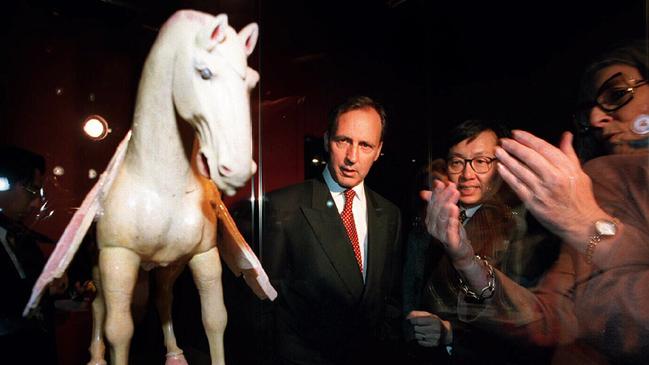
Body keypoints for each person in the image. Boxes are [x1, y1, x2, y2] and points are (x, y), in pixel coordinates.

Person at [421, 41, 649, 364]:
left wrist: (586, 223)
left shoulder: (530, 221)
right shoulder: (599, 185)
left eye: (617, 94)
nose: (598, 116)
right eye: (458, 162)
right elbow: (548, 319)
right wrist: (465, 260)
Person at [402, 120, 559, 364]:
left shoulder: (519, 228)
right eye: (457, 162)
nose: (467, 174)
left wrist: (452, 335)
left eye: (481, 161)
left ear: (501, 166)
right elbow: (409, 288)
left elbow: (526, 323)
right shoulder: (429, 218)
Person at [262, 95, 403, 364]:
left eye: (365, 145)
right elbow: (265, 309)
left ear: (378, 150)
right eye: (343, 141)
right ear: (327, 140)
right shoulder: (283, 206)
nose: (352, 157)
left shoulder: (390, 214)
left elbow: (389, 299)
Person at [0, 146, 64, 364]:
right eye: (32, 190)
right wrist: (44, 289)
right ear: (3, 183)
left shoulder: (23, 238)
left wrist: (65, 295)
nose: (36, 203)